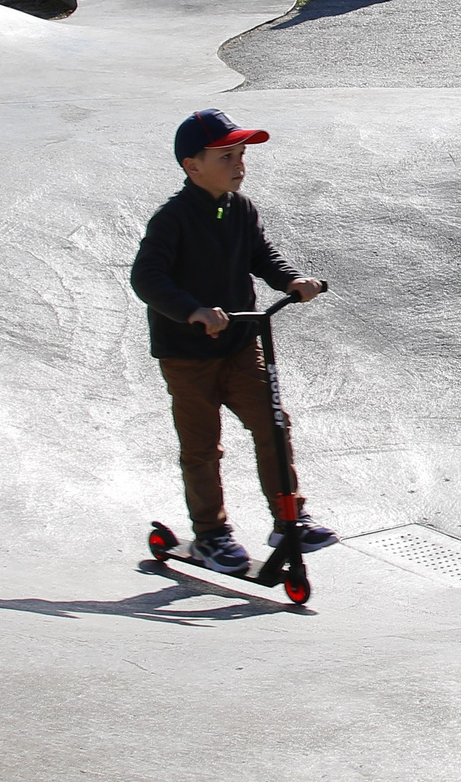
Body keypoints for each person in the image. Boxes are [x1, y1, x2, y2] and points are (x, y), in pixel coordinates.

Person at [130, 110, 332, 575]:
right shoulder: (173, 219)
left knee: (273, 423)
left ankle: (289, 519)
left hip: (241, 344)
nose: (239, 165)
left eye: (241, 155)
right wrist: (192, 310)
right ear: (192, 165)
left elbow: (261, 254)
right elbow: (147, 277)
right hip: (188, 356)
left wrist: (291, 280)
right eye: (226, 156)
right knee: (202, 448)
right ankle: (210, 536)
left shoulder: (240, 208)